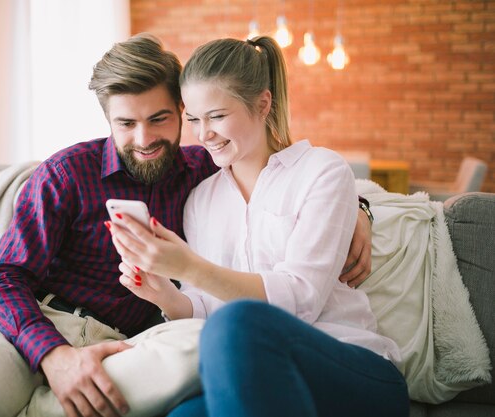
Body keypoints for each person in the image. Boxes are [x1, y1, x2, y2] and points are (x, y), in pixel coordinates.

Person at [0, 34, 374, 417]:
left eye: (161, 119)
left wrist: (360, 208)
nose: (144, 138)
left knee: (202, 347)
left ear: (178, 111)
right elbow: (0, 278)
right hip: (36, 323)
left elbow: (284, 172)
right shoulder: (68, 173)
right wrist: (54, 355)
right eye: (126, 123)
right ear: (107, 117)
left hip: (128, 345)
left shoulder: (200, 172)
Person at [108, 36, 409, 417]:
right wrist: (165, 294)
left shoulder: (321, 171)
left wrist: (190, 266)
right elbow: (208, 312)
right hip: (254, 371)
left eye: (216, 116)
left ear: (263, 104)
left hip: (352, 366)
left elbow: (300, 299)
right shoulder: (201, 199)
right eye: (194, 120)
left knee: (239, 321)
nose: (204, 135)